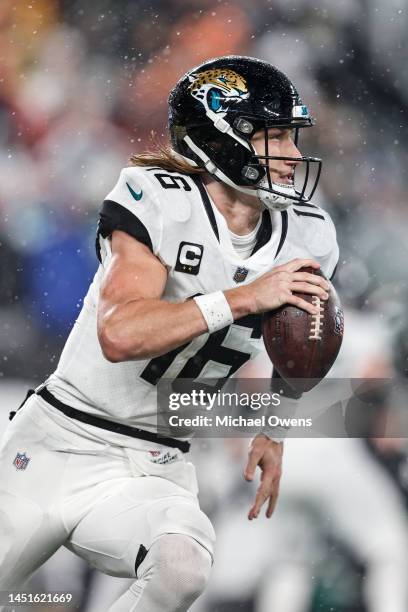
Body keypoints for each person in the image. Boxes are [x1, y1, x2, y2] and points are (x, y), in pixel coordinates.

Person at [0, 55, 338, 611]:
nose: (294, 156)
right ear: (221, 137)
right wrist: (243, 298)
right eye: (276, 136)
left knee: (182, 565)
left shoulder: (310, 235)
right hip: (58, 442)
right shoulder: (158, 199)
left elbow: (297, 342)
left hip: (156, 461)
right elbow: (120, 333)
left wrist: (273, 429)